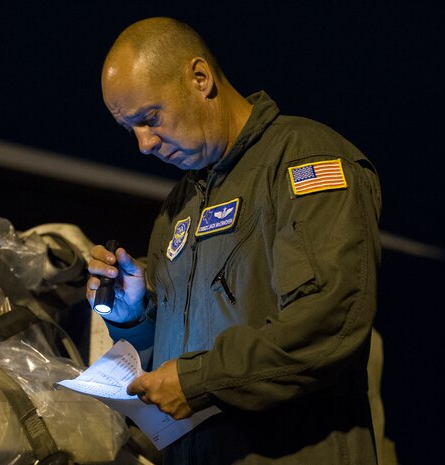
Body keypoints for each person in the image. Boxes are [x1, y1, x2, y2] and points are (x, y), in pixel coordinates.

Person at [86, 17, 382, 465]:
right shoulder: (178, 206)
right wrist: (133, 316)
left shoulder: (305, 163)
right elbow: (166, 364)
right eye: (132, 130)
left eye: (150, 118)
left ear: (200, 79)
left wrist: (198, 380)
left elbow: (328, 321)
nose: (144, 145)